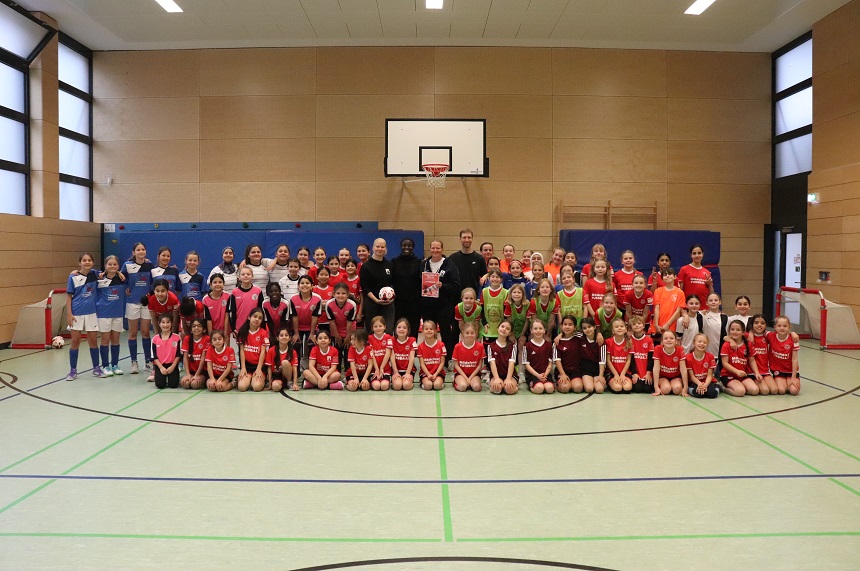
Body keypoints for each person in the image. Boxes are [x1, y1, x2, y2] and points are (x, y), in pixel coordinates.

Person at [420, 240, 461, 357]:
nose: (435, 250)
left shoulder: (450, 264)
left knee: (446, 333)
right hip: (428, 305)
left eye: (438, 248)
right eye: (433, 248)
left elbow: (456, 286)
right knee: (429, 332)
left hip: (444, 305)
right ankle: (430, 357)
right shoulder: (424, 264)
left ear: (442, 249)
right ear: (430, 249)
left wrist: (443, 286)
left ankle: (448, 359)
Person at [65, 252, 102, 381]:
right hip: (76, 314)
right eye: (84, 260)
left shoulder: (95, 275)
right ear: (80, 262)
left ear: (92, 262)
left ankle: (96, 368)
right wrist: (69, 313)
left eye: (89, 260)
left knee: (93, 341)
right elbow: (69, 296)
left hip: (91, 313)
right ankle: (73, 370)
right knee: (75, 341)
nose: (87, 262)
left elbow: (109, 271)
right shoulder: (73, 277)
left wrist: (119, 273)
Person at [122, 242, 153, 374]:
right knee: (133, 333)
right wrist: (126, 290)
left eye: (143, 249)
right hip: (132, 302)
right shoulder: (127, 266)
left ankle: (147, 361)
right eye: (138, 250)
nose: (141, 252)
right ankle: (134, 362)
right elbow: (119, 278)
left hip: (146, 303)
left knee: (146, 332)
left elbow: (154, 280)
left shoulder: (150, 265)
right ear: (134, 252)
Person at [96, 255, 125, 377]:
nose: (112, 266)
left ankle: (115, 365)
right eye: (110, 264)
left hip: (117, 313)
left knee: (116, 340)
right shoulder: (100, 278)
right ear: (105, 266)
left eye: (115, 264)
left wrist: (119, 272)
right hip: (104, 314)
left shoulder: (122, 278)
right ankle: (105, 366)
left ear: (118, 266)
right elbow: (88, 272)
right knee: (105, 340)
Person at [359, 238, 396, 334]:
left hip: (388, 304)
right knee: (372, 332)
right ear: (373, 248)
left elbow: (394, 284)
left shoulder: (390, 265)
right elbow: (365, 287)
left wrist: (391, 298)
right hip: (372, 303)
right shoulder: (366, 266)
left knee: (387, 331)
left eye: (382, 247)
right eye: (378, 246)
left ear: (386, 249)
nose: (380, 249)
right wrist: (376, 300)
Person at [391, 237, 422, 338]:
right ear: (401, 247)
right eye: (404, 245)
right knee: (399, 326)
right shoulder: (394, 261)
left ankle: (413, 349)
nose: (407, 247)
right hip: (398, 301)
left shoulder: (419, 262)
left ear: (413, 247)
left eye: (409, 245)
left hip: (414, 302)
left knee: (413, 326)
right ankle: (398, 351)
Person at [720, 319, 760, 397]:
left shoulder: (748, 344)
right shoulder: (726, 345)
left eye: (738, 330)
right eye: (732, 329)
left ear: (743, 332)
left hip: (742, 375)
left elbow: (752, 361)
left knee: (755, 390)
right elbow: (725, 363)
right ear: (729, 331)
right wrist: (737, 371)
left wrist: (757, 373)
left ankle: (740, 386)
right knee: (740, 392)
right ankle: (723, 388)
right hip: (728, 374)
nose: (735, 332)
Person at [236, 308, 269, 392]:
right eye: (255, 316)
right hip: (247, 366)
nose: (257, 319)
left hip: (259, 365)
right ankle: (246, 378)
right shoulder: (243, 331)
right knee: (242, 387)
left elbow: (263, 352)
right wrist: (243, 368)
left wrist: (259, 369)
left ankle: (261, 379)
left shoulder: (263, 333)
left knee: (256, 387)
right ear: (249, 317)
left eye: (260, 318)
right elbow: (242, 351)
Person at [447, 228, 486, 298]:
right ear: (460, 239)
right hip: (456, 296)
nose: (467, 240)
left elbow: (485, 275)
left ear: (472, 239)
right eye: (464, 237)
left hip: (473, 296)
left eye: (469, 237)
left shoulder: (479, 258)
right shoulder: (452, 258)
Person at [767, 315, 801, 395]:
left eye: (785, 326)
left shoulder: (793, 340)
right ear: (775, 327)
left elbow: (794, 359)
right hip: (778, 370)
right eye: (779, 326)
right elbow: (757, 331)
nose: (782, 328)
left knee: (794, 391)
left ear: (789, 327)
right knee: (781, 390)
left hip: (791, 371)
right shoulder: (771, 336)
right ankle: (782, 382)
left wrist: (793, 377)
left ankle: (790, 380)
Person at [227, 267, 264, 336]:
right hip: (239, 327)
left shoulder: (258, 291)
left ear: (252, 276)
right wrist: (233, 328)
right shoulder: (235, 292)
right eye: (243, 274)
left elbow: (261, 310)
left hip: (254, 326)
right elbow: (233, 312)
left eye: (248, 274)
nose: (246, 276)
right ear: (239, 277)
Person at [523, 319, 554, 394]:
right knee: (539, 389)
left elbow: (550, 364)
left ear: (544, 330)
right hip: (533, 375)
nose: (538, 331)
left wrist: (545, 375)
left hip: (545, 374)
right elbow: (527, 365)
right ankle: (531, 386)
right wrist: (538, 375)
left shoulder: (549, 345)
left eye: (540, 328)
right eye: (535, 328)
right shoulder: (527, 346)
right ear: (531, 331)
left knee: (549, 389)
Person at [452, 322, 485, 392]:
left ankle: (473, 382)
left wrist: (470, 378)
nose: (470, 335)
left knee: (476, 387)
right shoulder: (457, 347)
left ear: (476, 334)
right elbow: (456, 365)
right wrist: (466, 378)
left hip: (474, 374)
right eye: (467, 333)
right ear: (463, 333)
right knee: (463, 387)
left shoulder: (480, 346)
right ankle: (455, 381)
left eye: (472, 333)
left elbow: (479, 365)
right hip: (461, 374)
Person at [487, 319, 518, 395]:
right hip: (496, 375)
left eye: (507, 329)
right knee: (497, 390)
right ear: (498, 328)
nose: (504, 329)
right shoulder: (491, 346)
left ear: (510, 333)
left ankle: (516, 386)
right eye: (502, 326)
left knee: (509, 390)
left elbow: (511, 363)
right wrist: (497, 378)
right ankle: (492, 383)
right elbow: (492, 364)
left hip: (510, 375)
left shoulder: (513, 346)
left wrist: (508, 379)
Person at [151, 315, 182, 389]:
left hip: (172, 365)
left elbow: (179, 354)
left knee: (173, 385)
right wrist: (161, 368)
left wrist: (173, 366)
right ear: (159, 323)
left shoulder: (177, 338)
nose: (165, 325)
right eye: (163, 322)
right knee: (160, 385)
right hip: (160, 365)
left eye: (168, 322)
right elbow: (153, 356)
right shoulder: (155, 339)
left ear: (171, 323)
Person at [685, 332, 718, 398]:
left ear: (707, 344)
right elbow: (692, 376)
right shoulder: (688, 357)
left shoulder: (710, 356)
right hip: (695, 382)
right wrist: (699, 384)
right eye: (699, 341)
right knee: (699, 394)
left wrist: (705, 385)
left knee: (712, 393)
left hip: (707, 382)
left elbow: (709, 375)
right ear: (694, 343)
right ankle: (691, 389)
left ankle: (718, 387)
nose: (702, 344)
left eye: (704, 342)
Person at [265, 326, 298, 392]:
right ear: (277, 338)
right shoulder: (271, 350)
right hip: (277, 375)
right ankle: (281, 384)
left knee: (285, 362)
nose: (284, 337)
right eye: (281, 335)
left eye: (286, 335)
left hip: (288, 375)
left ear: (289, 338)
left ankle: (289, 383)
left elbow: (294, 368)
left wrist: (295, 383)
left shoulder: (293, 351)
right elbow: (269, 368)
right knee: (275, 387)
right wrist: (270, 383)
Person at [604, 318, 633, 393]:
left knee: (627, 387)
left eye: (621, 326)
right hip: (612, 373)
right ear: (613, 331)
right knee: (618, 388)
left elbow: (628, 360)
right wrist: (616, 375)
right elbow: (608, 360)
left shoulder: (629, 342)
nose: (619, 328)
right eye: (616, 327)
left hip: (625, 372)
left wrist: (623, 374)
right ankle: (610, 383)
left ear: (626, 329)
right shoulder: (608, 342)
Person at [652, 330, 685, 396]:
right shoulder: (658, 349)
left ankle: (674, 385)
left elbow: (683, 369)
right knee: (666, 389)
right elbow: (656, 368)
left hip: (675, 376)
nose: (668, 340)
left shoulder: (680, 349)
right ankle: (666, 385)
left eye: (671, 338)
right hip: (662, 376)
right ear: (662, 342)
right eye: (666, 338)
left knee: (677, 389)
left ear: (676, 341)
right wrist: (656, 387)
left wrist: (685, 387)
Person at [179, 318, 209, 390]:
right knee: (185, 384)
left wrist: (197, 375)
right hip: (191, 371)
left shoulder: (207, 339)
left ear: (204, 329)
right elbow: (185, 358)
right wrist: (188, 374)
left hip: (202, 371)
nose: (196, 328)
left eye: (199, 326)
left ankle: (203, 381)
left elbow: (203, 359)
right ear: (191, 329)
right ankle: (192, 377)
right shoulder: (187, 338)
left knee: (194, 384)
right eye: (194, 326)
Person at [417, 320, 446, 391]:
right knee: (428, 386)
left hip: (438, 373)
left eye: (431, 329)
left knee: (437, 386)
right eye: (426, 329)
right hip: (426, 373)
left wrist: (435, 374)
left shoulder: (441, 345)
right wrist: (428, 374)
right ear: (422, 331)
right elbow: (422, 364)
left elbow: (442, 363)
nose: (429, 331)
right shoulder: (420, 346)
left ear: (435, 331)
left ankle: (441, 382)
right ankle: (423, 383)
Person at [628, 316, 654, 394]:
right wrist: (634, 373)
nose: (637, 325)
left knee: (647, 389)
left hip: (646, 372)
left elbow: (651, 358)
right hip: (635, 372)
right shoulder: (629, 340)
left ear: (643, 325)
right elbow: (631, 359)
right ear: (631, 327)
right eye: (634, 324)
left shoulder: (649, 340)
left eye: (639, 323)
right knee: (638, 389)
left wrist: (648, 373)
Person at [368, 316, 393, 391]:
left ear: (384, 327)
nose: (378, 328)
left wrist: (381, 368)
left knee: (384, 386)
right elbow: (372, 355)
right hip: (374, 369)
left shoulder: (388, 337)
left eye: (380, 326)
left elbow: (387, 354)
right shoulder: (370, 338)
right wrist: (376, 369)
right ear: (372, 328)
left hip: (385, 369)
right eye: (375, 326)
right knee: (376, 386)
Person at [391, 318, 417, 391]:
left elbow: (412, 358)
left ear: (408, 330)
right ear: (395, 329)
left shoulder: (412, 340)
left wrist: (408, 373)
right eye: (399, 327)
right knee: (397, 386)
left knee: (406, 386)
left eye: (404, 328)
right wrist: (395, 372)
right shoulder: (392, 340)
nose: (401, 329)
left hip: (408, 370)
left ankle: (410, 382)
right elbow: (392, 357)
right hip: (396, 370)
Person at [203, 273, 231, 341]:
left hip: (225, 329)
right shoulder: (205, 299)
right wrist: (211, 335)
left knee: (226, 349)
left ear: (223, 284)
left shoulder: (228, 296)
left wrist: (225, 333)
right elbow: (208, 319)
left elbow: (227, 316)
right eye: (215, 282)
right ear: (210, 285)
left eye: (220, 282)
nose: (218, 284)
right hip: (212, 329)